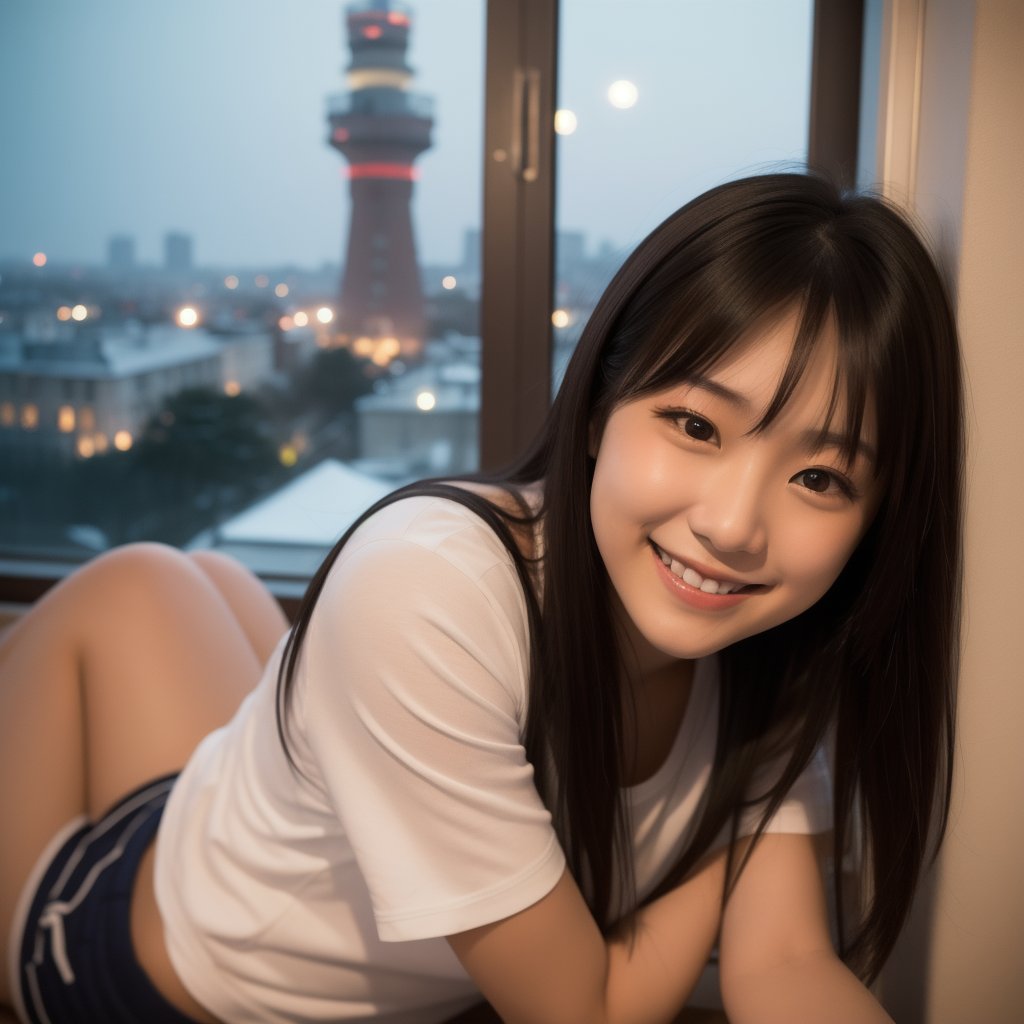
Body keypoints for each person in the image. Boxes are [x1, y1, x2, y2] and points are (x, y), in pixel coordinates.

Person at [0, 173, 963, 1024]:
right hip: (131, 960)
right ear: (596, 411)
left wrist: (746, 800)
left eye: (821, 479)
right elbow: (585, 1011)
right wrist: (730, 834)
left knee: (195, 582)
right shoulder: (423, 590)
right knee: (150, 575)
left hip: (232, 834)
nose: (735, 526)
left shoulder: (780, 640)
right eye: (695, 424)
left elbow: (788, 961)